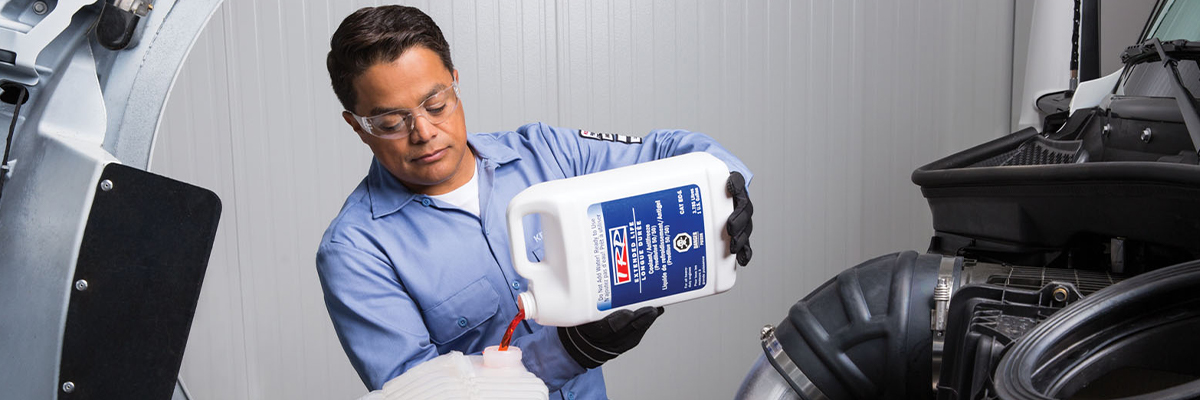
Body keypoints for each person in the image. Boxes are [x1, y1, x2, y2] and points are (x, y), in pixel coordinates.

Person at [316, 5, 754, 399]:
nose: (424, 131)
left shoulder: (545, 154)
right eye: (391, 121)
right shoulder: (355, 252)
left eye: (435, 103)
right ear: (357, 126)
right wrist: (566, 350)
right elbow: (419, 393)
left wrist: (727, 188)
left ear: (455, 82)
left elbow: (673, 150)